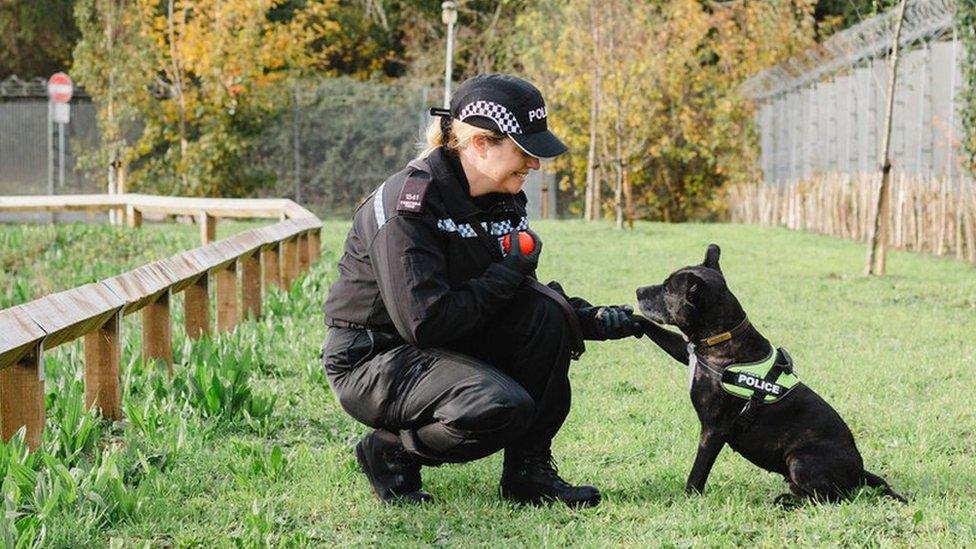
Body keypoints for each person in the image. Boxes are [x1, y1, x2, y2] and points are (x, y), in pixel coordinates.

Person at [322, 74, 643, 507]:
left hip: (443, 341)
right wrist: (508, 272)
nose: (535, 165)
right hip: (374, 357)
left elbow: (521, 299)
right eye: (525, 151)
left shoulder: (502, 196)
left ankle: (528, 475)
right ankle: (391, 450)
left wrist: (588, 320)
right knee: (500, 407)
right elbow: (426, 322)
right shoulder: (408, 206)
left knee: (547, 317)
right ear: (479, 144)